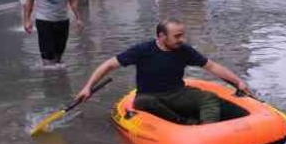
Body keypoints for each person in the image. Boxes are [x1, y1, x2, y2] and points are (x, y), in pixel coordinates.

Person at [75, 18, 248, 124]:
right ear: (161, 36)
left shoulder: (184, 50)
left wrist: (237, 81)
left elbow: (212, 66)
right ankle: (184, 123)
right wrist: (88, 87)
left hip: (177, 93)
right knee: (145, 102)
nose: (182, 39)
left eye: (182, 35)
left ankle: (209, 129)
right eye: (177, 36)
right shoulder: (142, 50)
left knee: (209, 98)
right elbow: (109, 65)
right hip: (150, 95)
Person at [23, 0, 83, 66]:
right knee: (48, 52)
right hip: (44, 21)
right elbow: (29, 1)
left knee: (60, 51)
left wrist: (78, 18)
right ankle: (49, 75)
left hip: (62, 21)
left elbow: (73, 2)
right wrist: (27, 20)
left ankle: (58, 76)